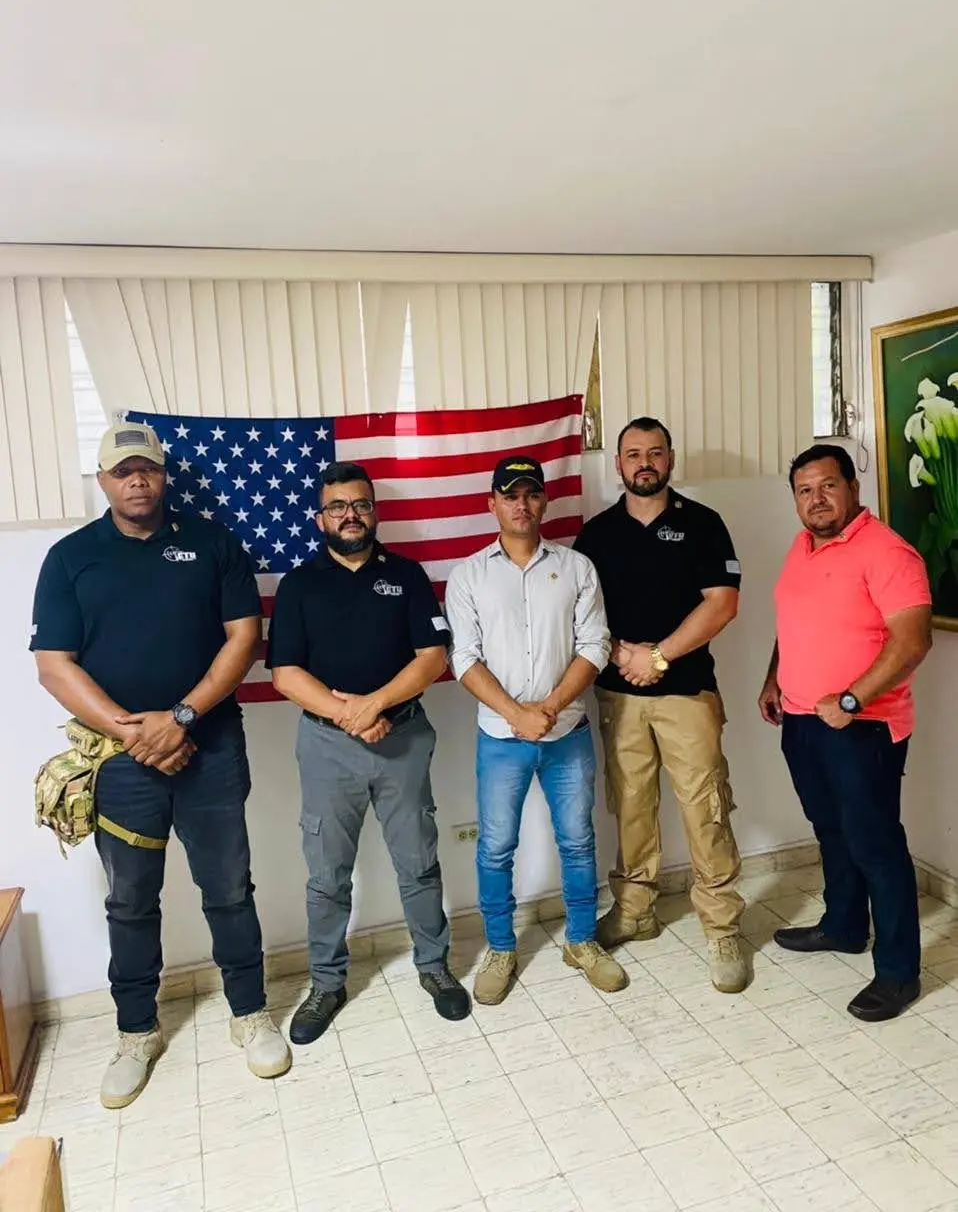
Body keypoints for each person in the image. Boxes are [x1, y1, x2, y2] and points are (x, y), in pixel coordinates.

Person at [30, 422, 290, 1110]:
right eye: (122, 471)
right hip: (119, 763)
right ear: (103, 480)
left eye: (146, 468)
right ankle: (136, 1031)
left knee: (229, 888)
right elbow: (53, 664)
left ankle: (249, 1013)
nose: (136, 480)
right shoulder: (70, 558)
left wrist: (181, 718)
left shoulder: (210, 542)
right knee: (130, 901)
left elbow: (245, 636)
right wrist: (129, 730)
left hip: (208, 748)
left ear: (163, 473)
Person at [267, 461, 469, 1042]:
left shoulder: (407, 576)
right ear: (320, 517)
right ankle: (327, 983)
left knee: (419, 863)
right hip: (327, 748)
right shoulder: (299, 584)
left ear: (374, 511)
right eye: (338, 506)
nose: (350, 515)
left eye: (360, 504)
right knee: (326, 875)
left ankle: (434, 968)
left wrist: (374, 706)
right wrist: (350, 717)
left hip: (402, 740)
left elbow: (433, 658)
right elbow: (284, 673)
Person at [445, 454, 627, 1004]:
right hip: (501, 740)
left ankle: (581, 940)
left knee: (577, 841)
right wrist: (516, 713)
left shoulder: (576, 568)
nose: (521, 505)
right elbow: (464, 658)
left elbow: (594, 644)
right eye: (510, 495)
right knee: (496, 847)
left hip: (565, 731)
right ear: (492, 503)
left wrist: (546, 706)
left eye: (530, 494)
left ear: (544, 500)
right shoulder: (468, 575)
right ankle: (501, 947)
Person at [759, 444, 932, 1022]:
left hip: (863, 727)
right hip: (803, 720)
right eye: (804, 490)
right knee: (830, 830)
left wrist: (854, 699)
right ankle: (843, 926)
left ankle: (898, 974)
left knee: (877, 846)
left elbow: (913, 642)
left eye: (827, 486)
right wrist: (773, 679)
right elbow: (796, 621)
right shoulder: (802, 547)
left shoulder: (888, 552)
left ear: (853, 487)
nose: (816, 499)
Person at [574, 417, 747, 993]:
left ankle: (722, 927)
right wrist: (625, 652)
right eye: (632, 454)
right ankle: (635, 910)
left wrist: (661, 656)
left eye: (654, 452)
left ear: (671, 459)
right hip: (619, 694)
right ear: (617, 465)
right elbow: (582, 616)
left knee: (706, 807)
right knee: (630, 804)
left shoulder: (703, 524)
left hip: (687, 692)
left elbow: (722, 604)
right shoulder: (595, 534)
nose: (643, 462)